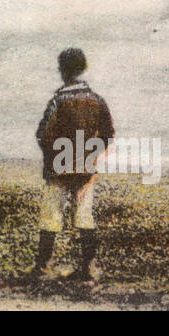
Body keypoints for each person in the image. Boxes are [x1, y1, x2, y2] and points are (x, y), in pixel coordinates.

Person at [33, 48, 115, 282]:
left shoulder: (58, 101)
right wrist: (90, 153)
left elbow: (42, 134)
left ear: (62, 71)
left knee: (51, 215)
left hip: (59, 167)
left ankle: (42, 268)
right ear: (83, 68)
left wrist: (54, 157)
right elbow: (108, 133)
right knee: (85, 216)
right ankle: (88, 269)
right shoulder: (97, 100)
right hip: (86, 167)